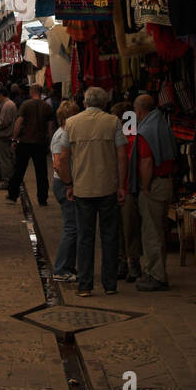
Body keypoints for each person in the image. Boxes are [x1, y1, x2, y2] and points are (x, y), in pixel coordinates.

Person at [59, 87, 128, 296]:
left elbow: (62, 158)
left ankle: (85, 285)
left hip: (82, 188)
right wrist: (121, 185)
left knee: (85, 238)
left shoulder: (71, 123)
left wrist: (68, 183)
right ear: (105, 103)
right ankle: (109, 284)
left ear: (85, 103)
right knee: (109, 237)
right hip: (108, 187)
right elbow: (122, 155)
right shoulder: (113, 122)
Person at [129, 92, 177, 292]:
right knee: (159, 229)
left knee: (152, 231)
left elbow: (147, 162)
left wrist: (145, 187)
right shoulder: (162, 124)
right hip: (166, 182)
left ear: (138, 111)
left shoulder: (146, 130)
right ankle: (156, 271)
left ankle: (157, 275)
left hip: (155, 185)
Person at [7, 84, 54, 205]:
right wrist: (50, 143)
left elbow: (19, 122)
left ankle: (13, 195)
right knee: (41, 172)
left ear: (31, 91)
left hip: (25, 142)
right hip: (40, 143)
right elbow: (50, 128)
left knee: (19, 170)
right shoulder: (47, 107)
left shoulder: (26, 105)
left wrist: (14, 138)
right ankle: (42, 198)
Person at [112, 100, 142, 282]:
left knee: (127, 226)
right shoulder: (129, 137)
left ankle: (131, 263)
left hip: (126, 187)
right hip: (124, 187)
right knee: (125, 227)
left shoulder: (131, 139)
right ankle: (126, 262)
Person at [50, 100, 79, 281]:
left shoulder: (63, 133)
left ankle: (67, 266)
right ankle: (61, 269)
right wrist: (69, 184)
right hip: (63, 183)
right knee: (71, 228)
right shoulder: (62, 136)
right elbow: (59, 164)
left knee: (73, 227)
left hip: (63, 182)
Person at [0, 87, 17, 187]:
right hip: (4, 136)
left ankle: (7, 181)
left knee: (5, 161)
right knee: (4, 160)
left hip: (5, 137)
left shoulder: (7, 105)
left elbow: (2, 123)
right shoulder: (7, 104)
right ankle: (6, 180)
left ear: (0, 94)